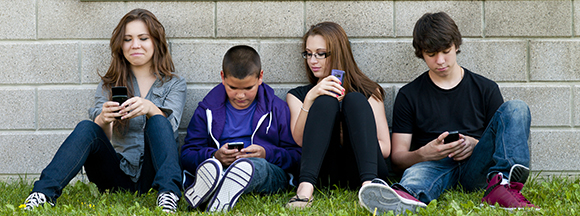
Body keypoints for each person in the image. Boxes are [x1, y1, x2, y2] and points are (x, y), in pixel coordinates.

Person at [358, 12, 537, 215]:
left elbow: (501, 144)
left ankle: (503, 185)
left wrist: (474, 145)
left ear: (457, 45)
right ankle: (403, 197)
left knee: (516, 108)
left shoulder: (486, 88)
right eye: (431, 54)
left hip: (477, 167)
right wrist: (425, 153)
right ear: (421, 54)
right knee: (416, 176)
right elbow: (398, 159)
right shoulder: (409, 94)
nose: (440, 61)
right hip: (433, 164)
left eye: (446, 51)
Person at [22, 8, 186, 213]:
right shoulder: (108, 85)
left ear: (155, 42)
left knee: (159, 120)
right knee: (87, 127)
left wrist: (151, 108)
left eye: (143, 38)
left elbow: (169, 132)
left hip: (152, 174)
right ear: (120, 45)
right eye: (127, 39)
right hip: (115, 175)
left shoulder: (174, 84)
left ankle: (168, 195)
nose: (135, 45)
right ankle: (42, 194)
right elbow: (100, 141)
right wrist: (104, 120)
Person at [180, 45, 301, 212]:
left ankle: (218, 188)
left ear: (260, 77)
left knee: (255, 166)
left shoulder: (277, 108)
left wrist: (267, 153)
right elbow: (187, 154)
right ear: (223, 77)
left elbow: (296, 156)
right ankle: (218, 185)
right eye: (233, 88)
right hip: (221, 166)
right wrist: (215, 155)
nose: (240, 96)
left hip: (265, 169)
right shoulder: (207, 109)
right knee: (212, 166)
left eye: (248, 88)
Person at [284, 22, 391, 209]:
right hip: (325, 170)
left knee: (355, 100)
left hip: (363, 167)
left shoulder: (370, 92)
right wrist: (311, 99)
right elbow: (300, 140)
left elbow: (385, 148)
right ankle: (304, 191)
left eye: (320, 53)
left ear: (338, 53)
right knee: (325, 102)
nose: (312, 61)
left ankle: (369, 190)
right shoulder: (298, 96)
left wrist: (347, 132)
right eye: (308, 53)